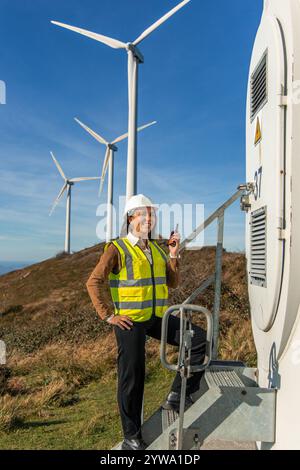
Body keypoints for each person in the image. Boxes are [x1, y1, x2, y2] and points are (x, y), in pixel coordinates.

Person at [86, 194, 207, 450]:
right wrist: (108, 315)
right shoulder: (117, 248)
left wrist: (174, 254)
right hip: (129, 323)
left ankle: (177, 396)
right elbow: (93, 282)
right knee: (133, 378)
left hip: (155, 318)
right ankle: (131, 436)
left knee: (198, 339)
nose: (149, 219)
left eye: (152, 214)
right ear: (131, 218)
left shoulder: (156, 249)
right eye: (144, 214)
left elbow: (172, 282)